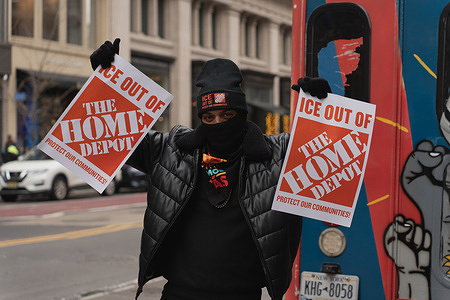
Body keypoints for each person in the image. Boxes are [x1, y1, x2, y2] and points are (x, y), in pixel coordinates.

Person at [90, 39, 331, 300]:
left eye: (227, 115)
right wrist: (104, 83)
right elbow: (116, 136)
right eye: (209, 117)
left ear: (242, 113)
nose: (218, 123)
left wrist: (326, 107)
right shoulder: (171, 151)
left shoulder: (277, 155)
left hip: (243, 295)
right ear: (201, 119)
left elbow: (333, 159)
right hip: (179, 294)